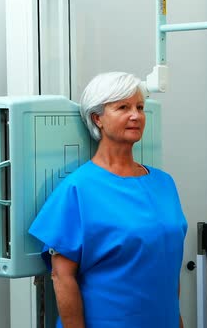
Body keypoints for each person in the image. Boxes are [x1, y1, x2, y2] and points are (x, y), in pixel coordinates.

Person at [29, 72, 188, 328]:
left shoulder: (164, 183)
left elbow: (167, 266)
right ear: (97, 119)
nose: (135, 115)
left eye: (139, 107)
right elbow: (62, 277)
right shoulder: (78, 188)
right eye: (123, 107)